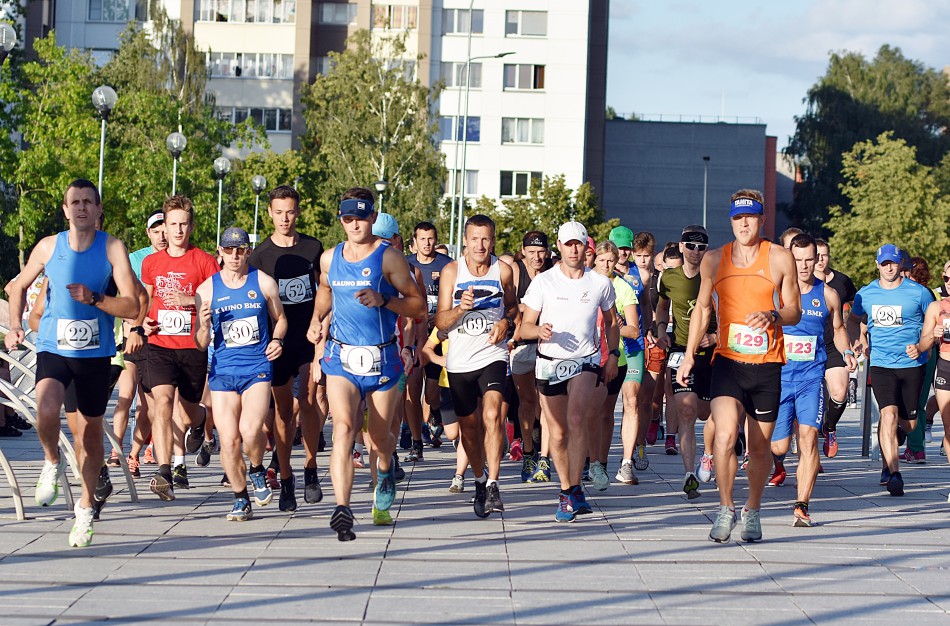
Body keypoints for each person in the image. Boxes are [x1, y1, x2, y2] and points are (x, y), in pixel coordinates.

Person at [4, 179, 140, 547]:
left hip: (95, 354)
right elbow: (16, 286)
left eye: (87, 202)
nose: (81, 207)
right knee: (45, 411)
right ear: (65, 210)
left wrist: (96, 299)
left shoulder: (112, 248)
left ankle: (84, 510)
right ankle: (51, 461)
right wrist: (15, 326)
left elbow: (133, 305)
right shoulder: (49, 247)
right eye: (74, 202)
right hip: (54, 347)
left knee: (91, 435)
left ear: (97, 210)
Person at [678, 189, 800, 543]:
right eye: (737, 217)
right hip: (728, 363)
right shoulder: (714, 260)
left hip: (766, 366)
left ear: (762, 219)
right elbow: (702, 309)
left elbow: (794, 309)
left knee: (761, 449)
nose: (743, 223)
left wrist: (773, 315)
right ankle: (726, 507)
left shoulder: (779, 259)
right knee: (727, 434)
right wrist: (688, 354)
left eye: (750, 217)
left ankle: (753, 508)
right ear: (730, 220)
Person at [306, 188, 425, 540]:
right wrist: (317, 319)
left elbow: (418, 307)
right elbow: (325, 291)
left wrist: (384, 299)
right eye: (347, 218)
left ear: (373, 217)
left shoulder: (389, 259)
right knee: (342, 427)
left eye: (361, 217)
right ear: (340, 220)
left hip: (382, 358)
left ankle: (385, 471)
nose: (354, 224)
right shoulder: (330, 258)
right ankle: (342, 508)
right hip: (341, 357)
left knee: (379, 439)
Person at [520, 221, 620, 522]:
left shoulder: (599, 283)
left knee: (577, 419)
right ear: (559, 248)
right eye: (568, 244)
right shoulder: (544, 283)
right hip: (549, 361)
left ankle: (573, 488)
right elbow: (523, 327)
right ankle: (568, 488)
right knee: (559, 433)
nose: (574, 249)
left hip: (585, 360)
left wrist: (612, 354)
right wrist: (539, 329)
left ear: (585, 246)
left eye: (579, 244)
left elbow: (612, 322)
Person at [195, 227, 287, 521]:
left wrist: (277, 340)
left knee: (250, 431)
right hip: (222, 371)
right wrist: (204, 326)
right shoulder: (206, 290)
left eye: (241, 250)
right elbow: (199, 342)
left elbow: (281, 319)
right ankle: (240, 497)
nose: (235, 256)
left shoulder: (263, 282)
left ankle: (257, 468)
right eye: (229, 250)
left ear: (248, 251)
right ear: (219, 251)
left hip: (256, 368)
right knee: (229, 439)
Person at [769, 233, 856, 526]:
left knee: (808, 439)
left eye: (811, 259)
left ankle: (802, 505)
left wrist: (845, 351)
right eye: (799, 260)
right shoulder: (776, 292)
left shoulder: (829, 294)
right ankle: (779, 458)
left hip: (810, 377)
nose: (805, 266)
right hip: (779, 378)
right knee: (779, 447)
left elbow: (839, 328)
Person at [248, 185, 325, 511]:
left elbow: (326, 290)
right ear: (269, 213)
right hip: (276, 343)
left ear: (298, 212)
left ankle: (310, 469)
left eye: (290, 212)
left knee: (307, 401)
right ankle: (287, 477)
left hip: (307, 338)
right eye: (278, 212)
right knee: (281, 413)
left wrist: (321, 323)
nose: (284, 218)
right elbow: (253, 303)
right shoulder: (260, 256)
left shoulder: (313, 247)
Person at [435, 214, 517, 518]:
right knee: (468, 430)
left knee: (493, 414)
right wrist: (460, 308)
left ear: (493, 241)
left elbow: (513, 307)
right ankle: (480, 481)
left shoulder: (504, 270)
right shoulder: (451, 272)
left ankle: (494, 482)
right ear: (465, 242)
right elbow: (439, 321)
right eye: (474, 239)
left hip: (492, 354)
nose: (480, 245)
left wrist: (506, 322)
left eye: (486, 239)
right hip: (459, 360)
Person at [140, 195, 220, 500]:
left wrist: (190, 301)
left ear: (191, 226)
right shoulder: (152, 262)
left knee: (185, 414)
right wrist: (142, 322)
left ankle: (199, 420)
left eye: (183, 224)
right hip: (159, 343)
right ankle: (163, 472)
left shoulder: (204, 261)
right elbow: (146, 299)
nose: (177, 230)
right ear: (165, 225)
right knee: (161, 404)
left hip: (192, 345)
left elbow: (217, 296)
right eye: (172, 224)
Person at [848, 244, 934, 496]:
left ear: (901, 265)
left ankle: (896, 439)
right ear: (877, 265)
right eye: (884, 263)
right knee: (887, 415)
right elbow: (853, 321)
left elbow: (931, 325)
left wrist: (920, 346)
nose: (888, 267)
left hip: (912, 365)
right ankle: (893, 472)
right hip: (881, 364)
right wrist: (858, 341)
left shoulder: (919, 293)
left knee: (908, 423)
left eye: (893, 263)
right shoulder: (866, 294)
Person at [655, 225, 718, 498]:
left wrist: (714, 337)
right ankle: (689, 474)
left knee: (710, 413)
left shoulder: (716, 276)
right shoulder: (668, 278)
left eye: (701, 247)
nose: (695, 251)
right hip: (681, 350)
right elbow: (660, 305)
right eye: (690, 246)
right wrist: (660, 329)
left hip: (713, 353)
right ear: (680, 247)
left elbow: (732, 311)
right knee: (688, 412)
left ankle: (710, 454)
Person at [122, 210, 169, 475]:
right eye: (156, 229)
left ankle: (150, 452)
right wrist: (134, 324)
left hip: (169, 338)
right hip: (138, 336)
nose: (162, 235)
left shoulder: (179, 258)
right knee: (136, 399)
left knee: (155, 403)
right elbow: (129, 298)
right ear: (148, 232)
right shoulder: (134, 259)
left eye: (166, 228)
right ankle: (131, 453)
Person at [591, 241, 640, 487]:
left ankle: (600, 463)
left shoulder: (622, 288)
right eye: (602, 260)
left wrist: (618, 325)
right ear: (594, 260)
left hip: (614, 356)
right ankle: (586, 460)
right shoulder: (585, 282)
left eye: (610, 260)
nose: (606, 265)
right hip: (586, 355)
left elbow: (634, 329)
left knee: (605, 412)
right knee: (585, 412)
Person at [404, 221, 452, 461]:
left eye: (431, 238)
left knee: (431, 393)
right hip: (413, 336)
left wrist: (440, 317)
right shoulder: (406, 265)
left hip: (438, 336)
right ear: (414, 242)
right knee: (412, 389)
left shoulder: (447, 265)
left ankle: (435, 412)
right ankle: (416, 440)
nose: (427, 243)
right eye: (422, 238)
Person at [510, 231, 554, 482]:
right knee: (526, 402)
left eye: (541, 252)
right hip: (521, 344)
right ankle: (528, 452)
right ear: (523, 251)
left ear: (547, 252)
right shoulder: (516, 271)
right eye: (532, 252)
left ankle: (544, 459)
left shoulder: (553, 272)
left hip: (547, 346)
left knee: (546, 403)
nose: (537, 257)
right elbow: (513, 307)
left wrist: (528, 308)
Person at [609, 226, 651, 473]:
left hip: (634, 345)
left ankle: (626, 460)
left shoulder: (641, 275)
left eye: (627, 248)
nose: (623, 253)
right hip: (611, 345)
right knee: (605, 406)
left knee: (632, 399)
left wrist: (651, 329)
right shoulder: (602, 273)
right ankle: (595, 458)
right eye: (619, 247)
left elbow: (645, 304)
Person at [813, 238, 858, 458]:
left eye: (825, 255)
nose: (821, 260)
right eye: (817, 255)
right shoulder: (800, 282)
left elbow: (855, 314)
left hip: (834, 345)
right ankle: (808, 450)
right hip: (808, 346)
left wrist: (855, 341)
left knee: (840, 392)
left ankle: (829, 427)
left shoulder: (841, 282)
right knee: (810, 401)